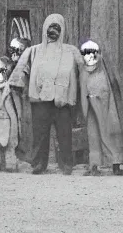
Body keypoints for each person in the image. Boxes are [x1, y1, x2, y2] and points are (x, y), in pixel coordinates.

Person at [10, 14, 80, 175]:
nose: (53, 31)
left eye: (57, 28)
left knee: (65, 133)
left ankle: (66, 164)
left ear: (62, 30)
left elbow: (83, 71)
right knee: (40, 134)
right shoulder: (33, 51)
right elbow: (20, 71)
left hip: (63, 100)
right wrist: (16, 86)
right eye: (50, 28)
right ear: (44, 30)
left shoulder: (71, 51)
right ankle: (38, 164)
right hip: (40, 100)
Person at [78, 40, 123, 176]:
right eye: (86, 53)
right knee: (93, 135)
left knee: (111, 135)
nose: (89, 57)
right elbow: (83, 92)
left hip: (108, 107)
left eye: (92, 53)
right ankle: (94, 166)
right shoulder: (83, 72)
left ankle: (115, 164)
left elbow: (112, 86)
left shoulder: (105, 67)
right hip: (92, 108)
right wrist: (85, 110)